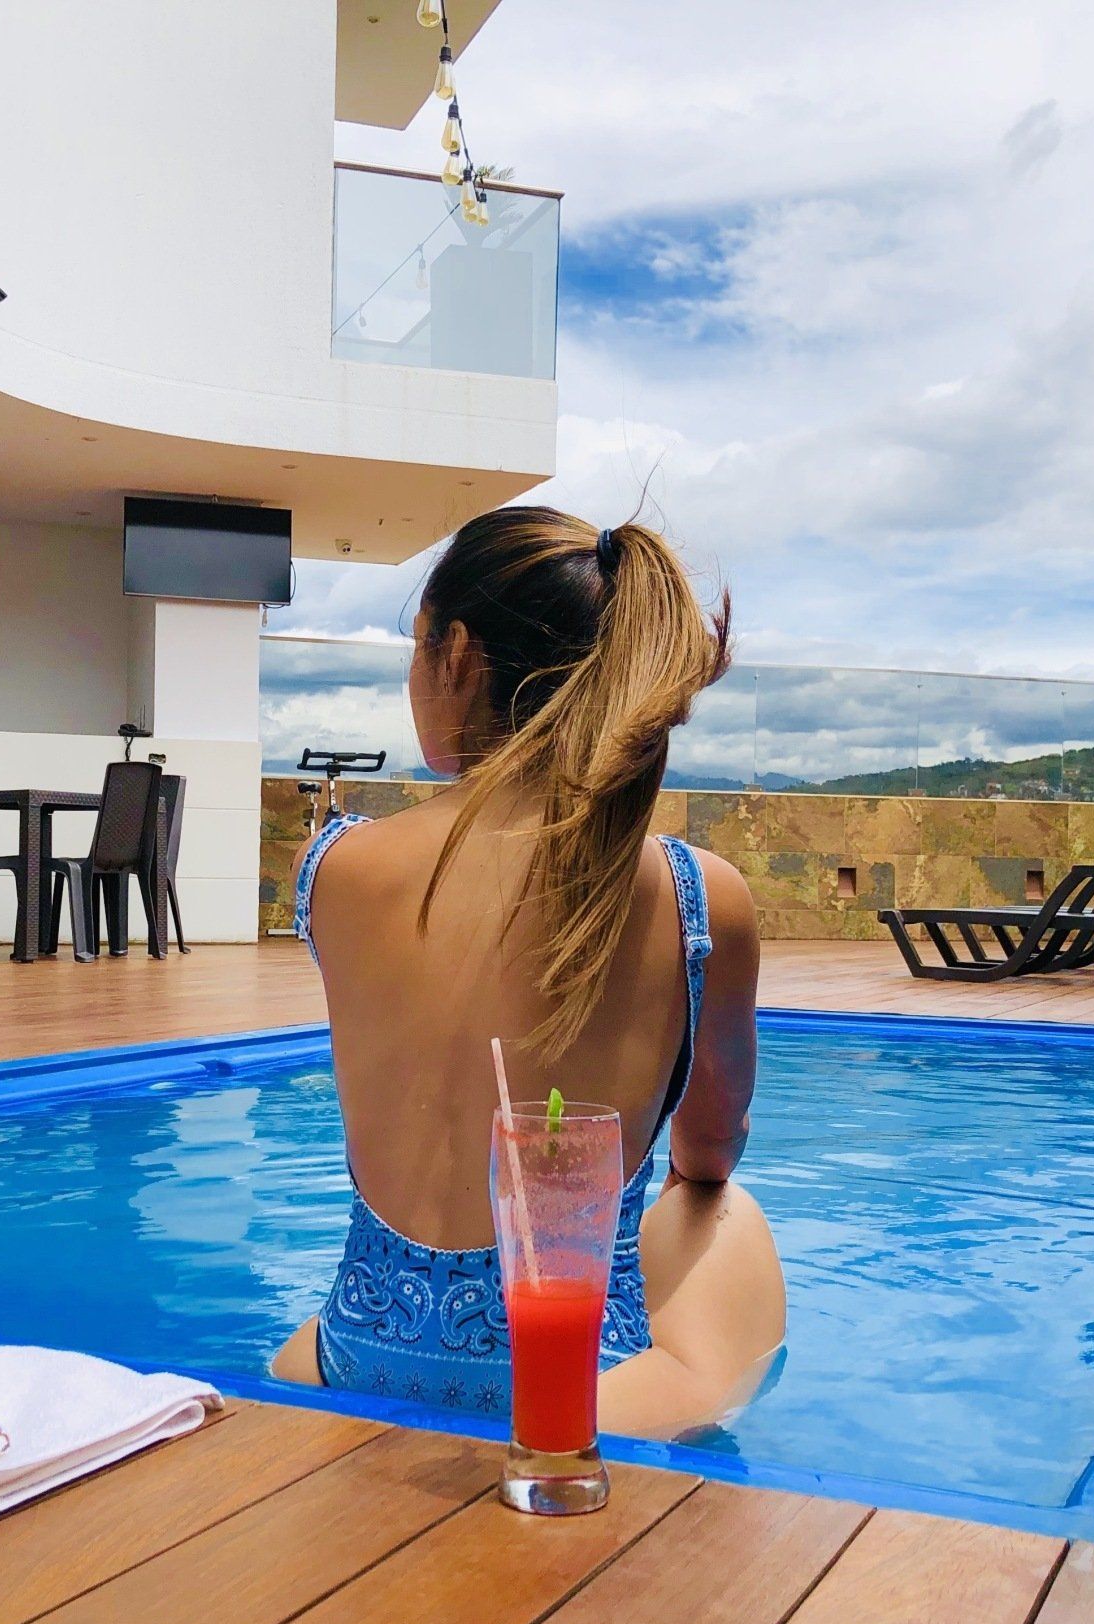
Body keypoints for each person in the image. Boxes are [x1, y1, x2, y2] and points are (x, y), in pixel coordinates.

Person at [272, 506, 785, 1438]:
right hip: (576, 1394)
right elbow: (713, 1146)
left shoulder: (335, 870)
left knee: (307, 1339)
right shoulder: (693, 894)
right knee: (718, 1212)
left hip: (359, 1359)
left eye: (415, 645)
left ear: (458, 654)